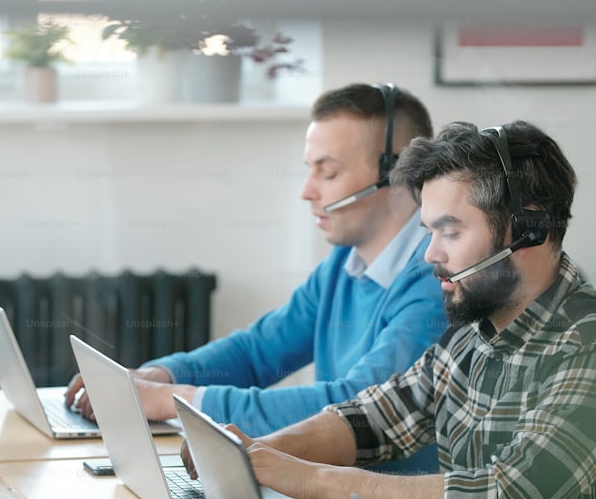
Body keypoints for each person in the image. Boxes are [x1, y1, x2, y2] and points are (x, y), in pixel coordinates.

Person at [214, 120, 596, 499]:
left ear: (528, 228)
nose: (430, 255)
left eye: (450, 231)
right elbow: (374, 418)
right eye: (429, 231)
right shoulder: (475, 328)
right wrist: (257, 453)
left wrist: (312, 479)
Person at [66, 82, 446, 473]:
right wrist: (158, 375)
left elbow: (356, 407)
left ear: (398, 174)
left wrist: (171, 400)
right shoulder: (345, 263)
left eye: (327, 172)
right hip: (332, 496)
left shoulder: (436, 282)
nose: (306, 191)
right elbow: (258, 352)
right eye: (309, 170)